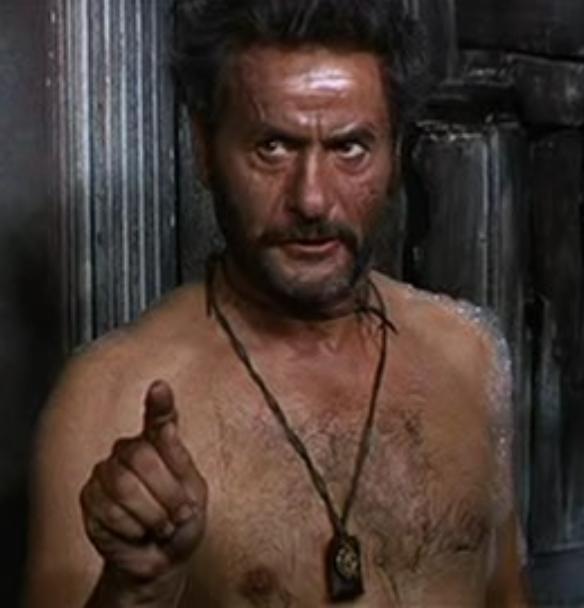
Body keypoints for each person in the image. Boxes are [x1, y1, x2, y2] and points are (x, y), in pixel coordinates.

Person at [26, 0, 528, 606]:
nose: (312, 199)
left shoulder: (469, 358)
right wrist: (132, 590)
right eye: (273, 147)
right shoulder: (111, 398)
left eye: (350, 148)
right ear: (205, 150)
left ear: (396, 155)